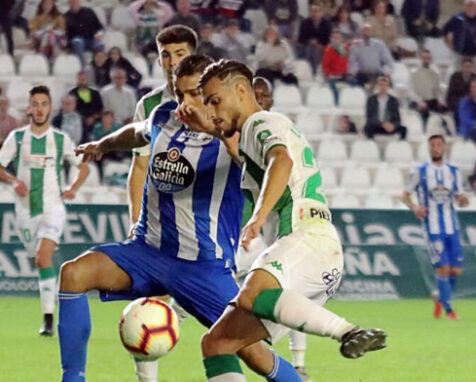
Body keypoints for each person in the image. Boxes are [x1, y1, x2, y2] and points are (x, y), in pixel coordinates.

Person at [65, 54, 299, 382]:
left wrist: (211, 129)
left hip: (202, 266)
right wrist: (103, 145)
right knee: (73, 274)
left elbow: (256, 166)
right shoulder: (165, 115)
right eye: (179, 94)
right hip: (148, 251)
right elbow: (138, 132)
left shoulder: (234, 130)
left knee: (250, 352)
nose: (184, 103)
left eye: (194, 94)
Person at [196, 59, 387, 381]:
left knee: (251, 294)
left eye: (215, 100)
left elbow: (280, 160)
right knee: (217, 343)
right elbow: (247, 158)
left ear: (241, 90)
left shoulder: (260, 122)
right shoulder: (251, 138)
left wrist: (257, 217)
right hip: (312, 255)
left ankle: (348, 331)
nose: (212, 112)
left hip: (306, 238)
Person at [125, 25, 198, 382]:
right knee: (150, 308)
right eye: (166, 55)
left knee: (232, 312)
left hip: (204, 222)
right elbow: (139, 167)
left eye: (180, 54)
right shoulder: (149, 105)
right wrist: (135, 221)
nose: (172, 63)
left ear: (194, 56)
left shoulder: (211, 98)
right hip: (160, 224)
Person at [0, 85, 89, 337]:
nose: (39, 109)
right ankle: (50, 299)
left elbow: (83, 167)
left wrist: (72, 188)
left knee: (43, 257)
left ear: (50, 108)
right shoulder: (17, 138)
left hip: (53, 207)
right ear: (28, 108)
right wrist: (14, 181)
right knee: (39, 260)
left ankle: (48, 318)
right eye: (35, 104)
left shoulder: (60, 139)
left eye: (44, 104)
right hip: (25, 211)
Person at [246, 75, 312, 379]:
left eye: (264, 94)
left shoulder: (272, 126)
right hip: (265, 218)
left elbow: (283, 163)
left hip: (286, 212)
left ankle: (295, 363)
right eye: (254, 93)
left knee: (290, 288)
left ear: (270, 100)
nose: (260, 98)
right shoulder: (249, 130)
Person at [402, 134, 469, 320]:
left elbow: (460, 198)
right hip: (433, 228)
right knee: (443, 269)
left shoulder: (454, 172)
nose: (435, 148)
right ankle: (449, 310)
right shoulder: (421, 172)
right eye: (432, 145)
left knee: (456, 270)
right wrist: (415, 207)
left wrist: (463, 200)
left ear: (444, 147)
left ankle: (440, 297)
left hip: (452, 227)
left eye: (439, 145)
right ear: (429, 148)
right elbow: (405, 195)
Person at [442, 0, 476, 75]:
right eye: (468, 5)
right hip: (459, 54)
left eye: (473, 6)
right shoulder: (457, 18)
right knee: (457, 77)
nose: (471, 8)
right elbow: (444, 31)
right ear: (464, 7)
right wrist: (449, 44)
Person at [409, 49, 447, 126]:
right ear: (420, 58)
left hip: (431, 100)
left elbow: (438, 89)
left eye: (428, 58)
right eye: (424, 58)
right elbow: (411, 91)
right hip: (418, 101)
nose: (426, 60)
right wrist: (420, 101)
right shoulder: (414, 72)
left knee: (443, 112)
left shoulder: (435, 72)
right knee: (423, 111)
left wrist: (440, 100)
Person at [65, 0, 105, 65]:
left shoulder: (89, 12)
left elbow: (100, 27)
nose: (74, 4)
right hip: (76, 42)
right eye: (72, 2)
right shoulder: (66, 16)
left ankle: (99, 66)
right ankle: (82, 67)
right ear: (69, 3)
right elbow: (67, 35)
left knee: (100, 44)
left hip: (91, 39)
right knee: (78, 42)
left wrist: (99, 34)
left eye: (76, 2)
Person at [297, 2, 333, 74]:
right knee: (310, 49)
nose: (313, 13)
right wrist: (310, 41)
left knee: (316, 50)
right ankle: (309, 72)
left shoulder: (327, 24)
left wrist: (321, 45)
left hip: (322, 47)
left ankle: (314, 72)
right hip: (307, 46)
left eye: (316, 11)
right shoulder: (305, 23)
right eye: (312, 11)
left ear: (321, 12)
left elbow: (329, 39)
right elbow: (301, 39)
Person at [322, 29, 350, 104]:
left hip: (344, 75)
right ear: (331, 39)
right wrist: (330, 74)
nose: (336, 40)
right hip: (332, 76)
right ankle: (336, 104)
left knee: (355, 83)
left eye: (338, 38)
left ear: (341, 39)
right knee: (332, 86)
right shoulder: (328, 50)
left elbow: (347, 62)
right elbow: (325, 67)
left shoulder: (346, 48)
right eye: (334, 38)